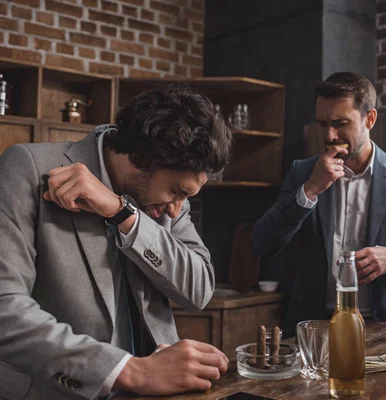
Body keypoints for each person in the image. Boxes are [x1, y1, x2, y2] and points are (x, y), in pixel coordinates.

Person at [0, 86, 233, 399]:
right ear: (139, 158)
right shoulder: (29, 167)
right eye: (177, 192)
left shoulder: (170, 198)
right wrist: (131, 371)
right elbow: (6, 308)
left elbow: (199, 290)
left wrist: (123, 213)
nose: (177, 207)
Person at [252, 72, 386, 335]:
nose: (330, 135)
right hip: (314, 327)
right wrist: (310, 190)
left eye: (341, 123)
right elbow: (262, 243)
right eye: (323, 124)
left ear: (370, 118)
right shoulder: (303, 173)